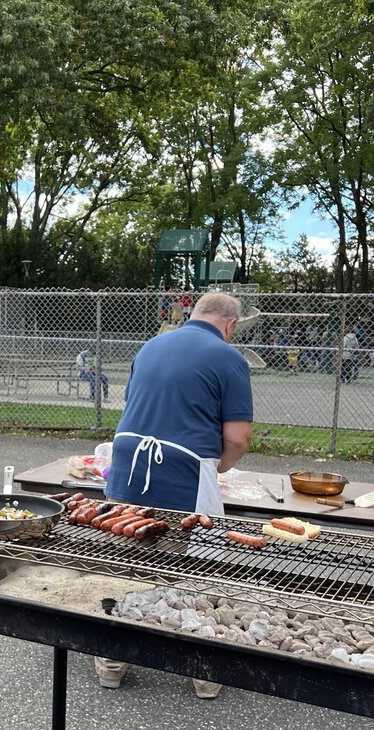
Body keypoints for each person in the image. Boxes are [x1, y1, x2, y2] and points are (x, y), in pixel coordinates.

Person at [97, 292, 256, 699]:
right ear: (230, 325)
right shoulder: (229, 357)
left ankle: (111, 660)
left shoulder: (151, 345)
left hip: (128, 456)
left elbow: (138, 405)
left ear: (194, 314)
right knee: (199, 562)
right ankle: (202, 671)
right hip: (184, 464)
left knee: (128, 557)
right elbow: (237, 437)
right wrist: (218, 468)